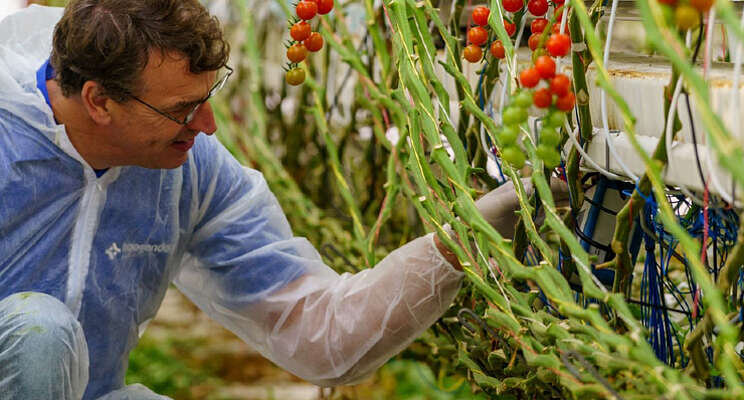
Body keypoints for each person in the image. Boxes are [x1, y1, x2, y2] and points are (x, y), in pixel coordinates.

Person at [0, 1, 565, 399]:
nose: (210, 125)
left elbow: (317, 332)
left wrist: (466, 236)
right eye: (180, 109)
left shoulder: (189, 172)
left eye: (208, 97)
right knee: (39, 331)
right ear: (99, 101)